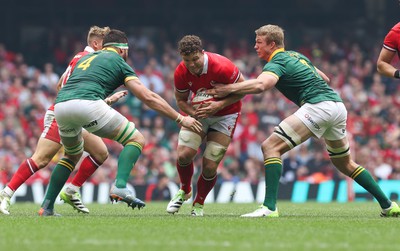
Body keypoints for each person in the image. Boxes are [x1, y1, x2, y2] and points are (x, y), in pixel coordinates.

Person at [206, 24, 400, 217]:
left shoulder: (276, 62)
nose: (255, 46)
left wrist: (228, 89)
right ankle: (388, 205)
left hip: (319, 106)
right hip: (337, 106)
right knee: (345, 163)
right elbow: (325, 78)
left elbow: (261, 86)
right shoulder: (297, 56)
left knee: (270, 147)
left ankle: (269, 207)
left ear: (272, 44)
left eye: (259, 42)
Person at [37, 29, 202, 216]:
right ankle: (120, 186)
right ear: (123, 50)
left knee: (71, 156)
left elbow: (61, 84)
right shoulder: (118, 61)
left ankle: (47, 206)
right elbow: (147, 97)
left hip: (61, 106)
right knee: (136, 139)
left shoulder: (84, 58)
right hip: (87, 104)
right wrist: (180, 118)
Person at [0, 26, 123, 215]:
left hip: (73, 114)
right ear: (96, 43)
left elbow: (60, 85)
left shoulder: (80, 58)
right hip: (64, 115)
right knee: (41, 159)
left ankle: (68, 193)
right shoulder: (88, 59)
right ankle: (6, 194)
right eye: (106, 45)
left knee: (100, 152)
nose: (109, 51)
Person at [166, 35, 244, 216]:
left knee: (210, 164)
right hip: (199, 113)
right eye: (187, 60)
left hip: (226, 114)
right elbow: (181, 100)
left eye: (195, 59)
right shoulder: (180, 72)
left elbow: (244, 89)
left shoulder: (223, 66)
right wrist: (194, 114)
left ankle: (198, 204)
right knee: (184, 155)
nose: (192, 64)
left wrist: (219, 104)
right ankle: (185, 190)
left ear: (203, 53)